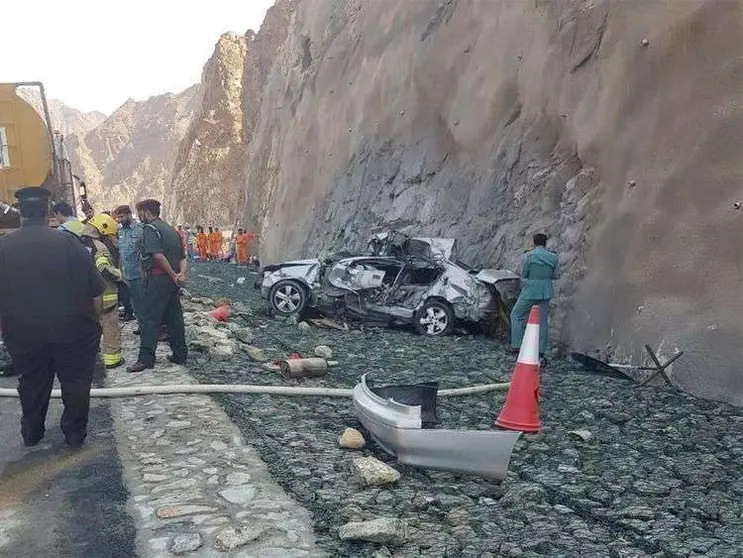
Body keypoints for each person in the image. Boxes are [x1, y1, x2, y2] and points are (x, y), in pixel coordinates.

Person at [0, 187, 104, 448]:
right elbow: (96, 291)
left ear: (21, 213)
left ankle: (32, 432)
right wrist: (97, 322)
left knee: (32, 381)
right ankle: (74, 434)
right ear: (48, 213)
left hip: (22, 331)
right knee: (76, 382)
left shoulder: (4, 247)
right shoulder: (69, 242)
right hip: (73, 328)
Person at [127, 199, 187, 373]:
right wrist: (180, 275)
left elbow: (158, 256)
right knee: (174, 318)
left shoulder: (150, 229)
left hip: (158, 280)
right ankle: (180, 354)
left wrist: (172, 274)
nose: (139, 216)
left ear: (146, 212)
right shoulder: (171, 230)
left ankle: (146, 359)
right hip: (172, 283)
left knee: (149, 319)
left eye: (140, 213)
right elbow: (183, 257)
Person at [81, 214, 126, 369]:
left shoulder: (78, 243)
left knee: (90, 328)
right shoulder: (99, 247)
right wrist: (119, 275)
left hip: (83, 296)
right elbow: (103, 269)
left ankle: (90, 358)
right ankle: (112, 360)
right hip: (105, 295)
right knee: (110, 326)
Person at [510, 233, 560, 357]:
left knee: (516, 314)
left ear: (534, 242)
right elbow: (556, 275)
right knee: (543, 321)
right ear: (545, 243)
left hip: (530, 289)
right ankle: (540, 351)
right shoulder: (554, 257)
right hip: (546, 290)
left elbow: (524, 273)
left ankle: (516, 346)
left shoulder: (529, 256)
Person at [114, 205, 144, 321]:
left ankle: (150, 328)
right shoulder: (120, 232)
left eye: (121, 217)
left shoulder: (140, 229)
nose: (119, 220)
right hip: (127, 274)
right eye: (118, 218)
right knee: (134, 302)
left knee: (144, 302)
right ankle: (141, 324)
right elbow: (122, 253)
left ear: (129, 215)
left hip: (139, 273)